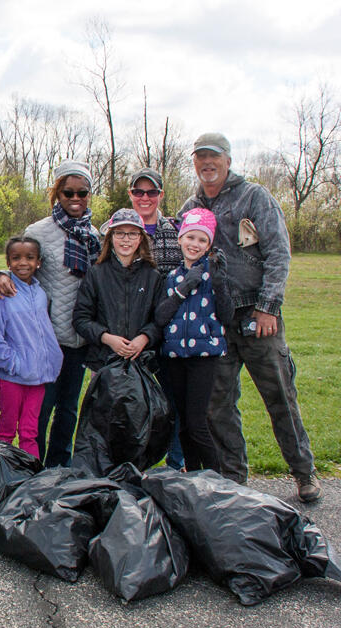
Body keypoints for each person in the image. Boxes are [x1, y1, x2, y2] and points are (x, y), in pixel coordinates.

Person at [179, 132, 319, 500]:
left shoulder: (254, 196)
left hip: (258, 317)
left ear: (228, 160)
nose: (207, 163)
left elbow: (278, 253)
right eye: (200, 157)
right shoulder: (191, 207)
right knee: (218, 405)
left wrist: (268, 307)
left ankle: (304, 473)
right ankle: (235, 480)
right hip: (217, 322)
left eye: (214, 157)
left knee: (280, 398)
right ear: (194, 162)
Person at [0, 160, 100, 467]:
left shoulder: (93, 233)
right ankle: (33, 465)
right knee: (41, 409)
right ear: (57, 193)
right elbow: (21, 263)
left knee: (68, 409)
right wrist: (0, 274)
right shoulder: (38, 230)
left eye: (83, 192)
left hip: (78, 337)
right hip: (44, 340)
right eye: (68, 192)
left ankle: (59, 467)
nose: (76, 198)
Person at [153, 208, 233, 471]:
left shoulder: (213, 273)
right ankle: (194, 475)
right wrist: (183, 288)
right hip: (175, 356)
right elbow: (161, 316)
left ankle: (215, 478)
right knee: (184, 422)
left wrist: (219, 282)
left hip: (203, 357)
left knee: (198, 422)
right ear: (180, 239)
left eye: (202, 240)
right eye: (190, 237)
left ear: (209, 245)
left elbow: (227, 315)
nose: (194, 245)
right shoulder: (173, 277)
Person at [127, 166, 185, 470]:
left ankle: (175, 466)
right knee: (133, 405)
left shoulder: (176, 232)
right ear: (131, 195)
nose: (145, 197)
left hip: (171, 333)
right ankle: (134, 467)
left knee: (173, 402)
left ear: (160, 195)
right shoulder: (115, 230)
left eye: (151, 192)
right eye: (139, 191)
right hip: (131, 334)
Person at [0, 236, 63, 458]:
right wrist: (12, 363)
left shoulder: (40, 294)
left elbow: (44, 332)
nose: (23, 263)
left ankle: (31, 477)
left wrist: (52, 360)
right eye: (16, 258)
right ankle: (2, 473)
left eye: (29, 258)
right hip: (12, 377)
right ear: (8, 262)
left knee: (30, 432)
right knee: (7, 429)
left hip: (38, 378)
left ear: (38, 262)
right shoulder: (3, 294)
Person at [71, 208, 164, 373]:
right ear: (110, 237)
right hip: (104, 363)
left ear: (141, 238)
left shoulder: (152, 276)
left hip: (141, 363)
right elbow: (81, 319)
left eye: (132, 234)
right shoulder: (97, 273)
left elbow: (160, 320)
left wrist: (144, 338)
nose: (126, 240)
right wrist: (107, 338)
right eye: (120, 233)